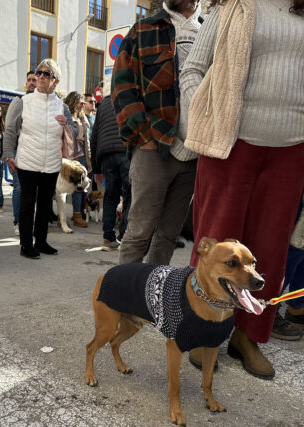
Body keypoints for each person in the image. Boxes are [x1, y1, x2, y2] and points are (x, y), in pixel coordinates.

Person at [180, 0, 304, 379]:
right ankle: (203, 328)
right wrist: (202, 116)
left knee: (269, 251)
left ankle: (248, 336)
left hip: (294, 149)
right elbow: (193, 68)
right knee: (214, 243)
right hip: (230, 144)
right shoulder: (235, 4)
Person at [111, 0, 203, 266]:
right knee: (139, 232)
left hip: (194, 153)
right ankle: (123, 298)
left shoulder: (211, 30)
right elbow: (122, 86)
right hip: (154, 148)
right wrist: (144, 137)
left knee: (168, 235)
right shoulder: (144, 29)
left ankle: (151, 298)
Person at [3, 58, 77, 259]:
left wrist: (67, 126)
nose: (41, 76)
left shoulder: (62, 107)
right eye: (39, 72)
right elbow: (10, 131)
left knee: (45, 204)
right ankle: (26, 245)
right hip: (27, 161)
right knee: (27, 204)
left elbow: (74, 134)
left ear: (56, 81)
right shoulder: (23, 102)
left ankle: (42, 241)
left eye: (47, 74)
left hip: (52, 163)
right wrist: (8, 155)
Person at [90, 96, 131, 251]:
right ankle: (125, 237)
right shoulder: (132, 92)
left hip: (106, 154)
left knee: (110, 196)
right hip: (127, 150)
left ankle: (108, 238)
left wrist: (96, 169)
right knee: (130, 195)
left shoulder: (104, 103)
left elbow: (94, 137)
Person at [7, 71, 37, 235]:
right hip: (19, 149)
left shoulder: (43, 103)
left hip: (36, 151)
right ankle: (18, 221)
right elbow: (9, 129)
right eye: (29, 80)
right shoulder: (19, 101)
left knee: (32, 189)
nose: (32, 82)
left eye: (34, 80)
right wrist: (8, 154)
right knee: (19, 188)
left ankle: (29, 221)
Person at [64, 91, 91, 228]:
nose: (83, 105)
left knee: (80, 187)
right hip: (67, 156)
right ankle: (61, 217)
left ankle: (77, 215)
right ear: (73, 102)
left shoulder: (83, 119)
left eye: (83, 103)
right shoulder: (66, 116)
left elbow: (87, 142)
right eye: (80, 102)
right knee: (63, 188)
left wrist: (88, 160)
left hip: (80, 157)